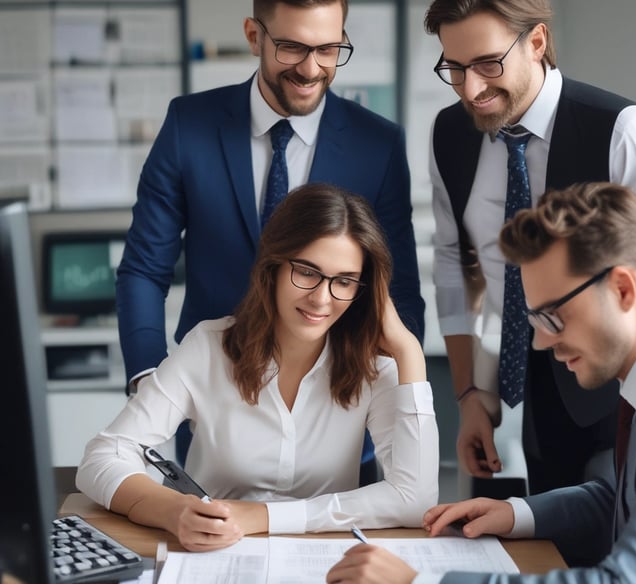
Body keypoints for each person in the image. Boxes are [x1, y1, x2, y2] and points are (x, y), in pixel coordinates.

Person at [326, 182, 636, 583]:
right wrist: (515, 513)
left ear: (623, 290)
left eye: (552, 316)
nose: (540, 342)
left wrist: (419, 583)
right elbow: (624, 497)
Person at [115, 0, 425, 479]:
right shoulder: (188, 125)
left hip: (338, 406)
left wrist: (387, 396)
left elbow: (397, 286)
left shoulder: (378, 144)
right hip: (211, 405)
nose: (311, 68)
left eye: (328, 48)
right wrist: (151, 381)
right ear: (254, 36)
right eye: (292, 47)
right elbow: (143, 268)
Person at [77, 184, 439, 551]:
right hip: (214, 555)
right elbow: (102, 458)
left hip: (327, 561)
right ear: (273, 267)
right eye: (307, 272)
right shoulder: (208, 347)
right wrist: (173, 509)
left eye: (343, 281)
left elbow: (416, 498)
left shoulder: (375, 364)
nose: (321, 298)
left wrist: (409, 351)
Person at [424, 0, 636, 494]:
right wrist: (467, 394)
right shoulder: (449, 133)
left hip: (612, 391)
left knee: (602, 544)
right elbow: (453, 263)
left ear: (538, 42)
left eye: (488, 63)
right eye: (454, 68)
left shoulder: (624, 132)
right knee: (510, 538)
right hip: (504, 379)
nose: (471, 88)